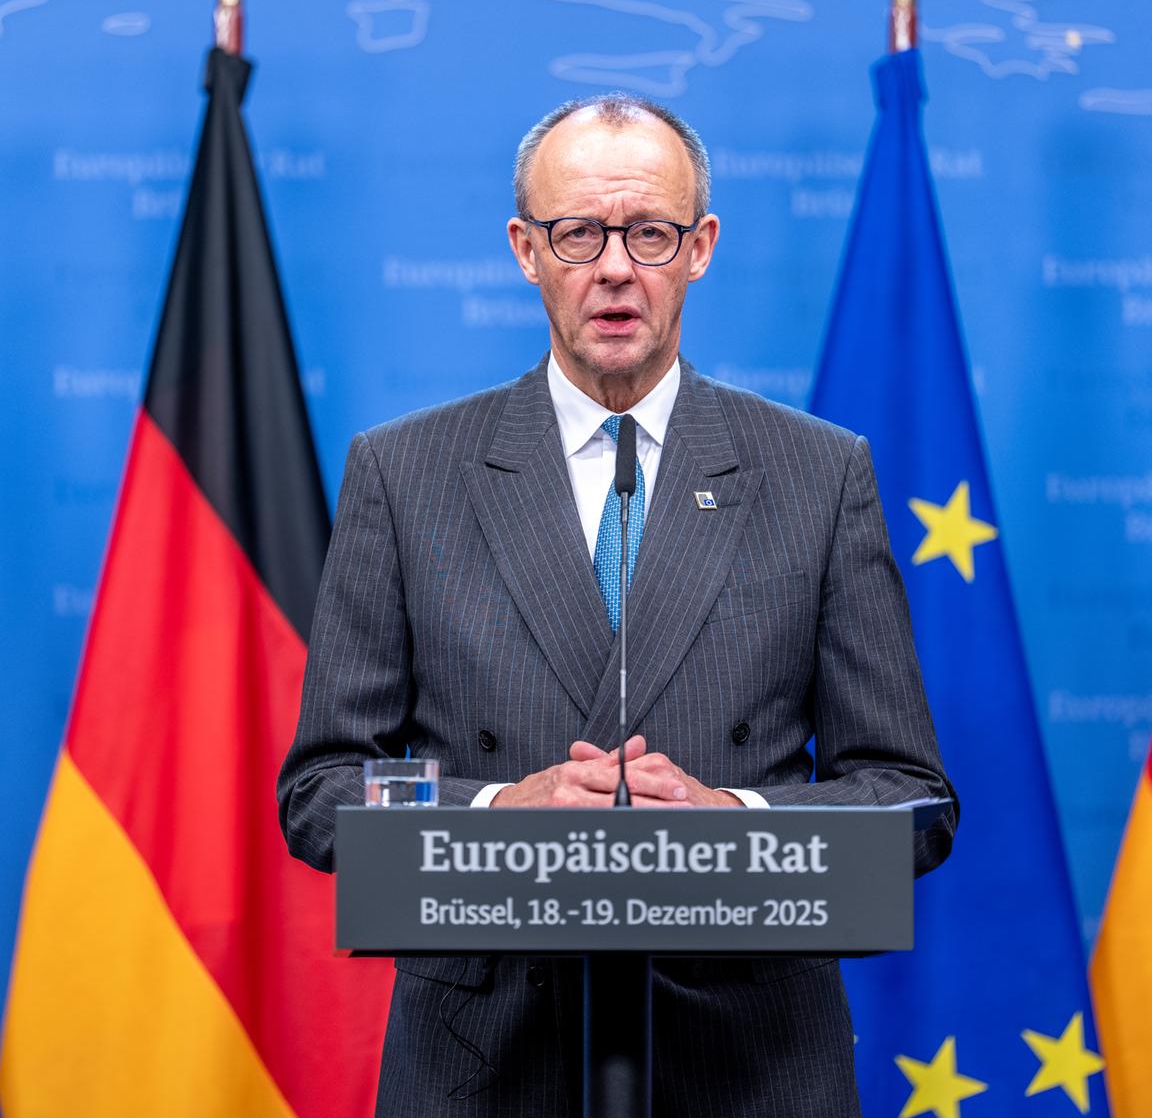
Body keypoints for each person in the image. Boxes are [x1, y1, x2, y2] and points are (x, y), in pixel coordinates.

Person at [278, 94, 956, 1118]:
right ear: (524, 249)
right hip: (486, 1062)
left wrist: (737, 820)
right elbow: (326, 787)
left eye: (648, 233)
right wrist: (500, 813)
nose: (613, 268)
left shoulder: (818, 474)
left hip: (751, 1063)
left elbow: (910, 796)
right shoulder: (403, 473)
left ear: (700, 248)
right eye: (577, 233)